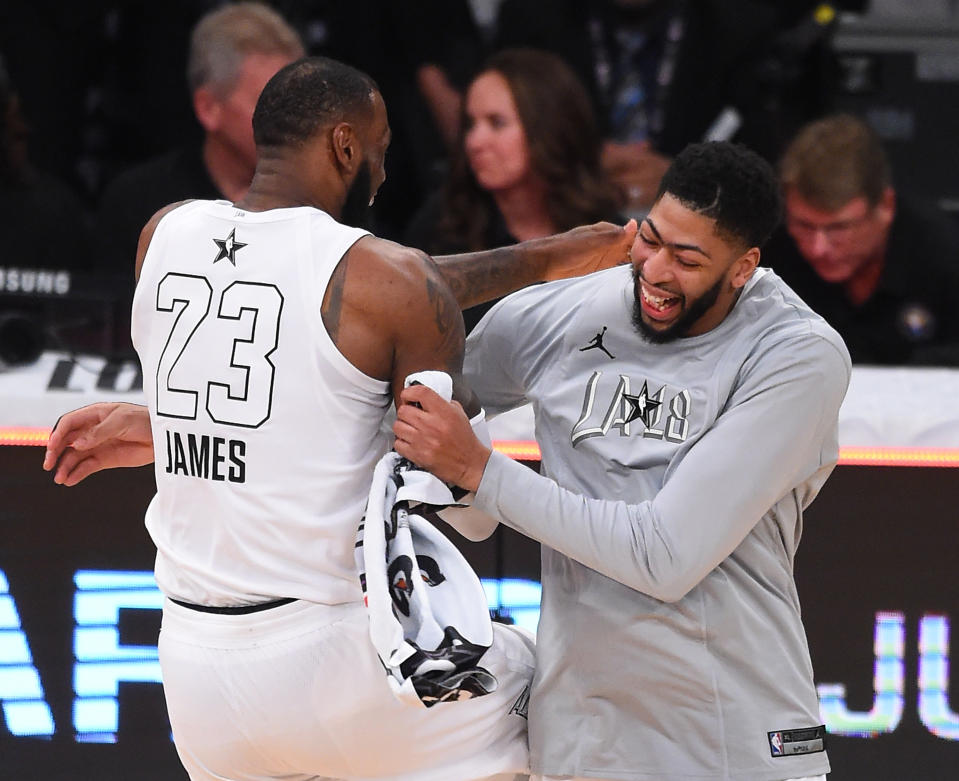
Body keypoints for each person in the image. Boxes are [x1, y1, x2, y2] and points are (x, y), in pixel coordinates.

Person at [43, 55, 634, 781]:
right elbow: (468, 509)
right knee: (556, 693)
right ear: (346, 145)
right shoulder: (386, 280)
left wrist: (547, 257)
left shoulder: (164, 233)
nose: (383, 174)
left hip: (194, 676)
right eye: (380, 150)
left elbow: (360, 289)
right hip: (326, 661)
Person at [392, 142, 848, 780]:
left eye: (687, 260)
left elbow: (664, 556)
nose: (657, 271)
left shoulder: (798, 355)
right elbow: (430, 411)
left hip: (735, 739)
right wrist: (458, 476)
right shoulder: (570, 309)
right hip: (583, 741)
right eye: (651, 240)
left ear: (743, 266)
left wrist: (482, 475)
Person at [493, 0, 839, 216]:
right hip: (555, 220)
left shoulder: (746, 26)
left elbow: (775, 157)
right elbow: (488, 127)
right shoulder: (530, 17)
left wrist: (691, 176)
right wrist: (573, 164)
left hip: (699, 222)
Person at [94, 2, 304, 353]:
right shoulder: (138, 203)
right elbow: (110, 333)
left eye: (300, 107)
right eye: (271, 107)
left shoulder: (326, 202)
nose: (294, 124)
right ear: (209, 108)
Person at [406, 48, 621, 332]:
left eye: (497, 123)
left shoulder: (608, 234)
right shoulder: (442, 226)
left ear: (548, 127)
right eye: (470, 125)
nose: (475, 141)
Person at [767, 112, 959, 365]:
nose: (818, 248)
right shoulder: (765, 254)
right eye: (803, 225)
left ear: (885, 207)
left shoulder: (945, 257)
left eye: (839, 228)